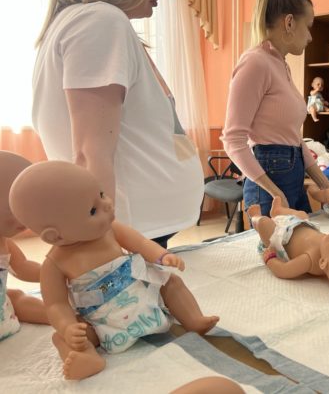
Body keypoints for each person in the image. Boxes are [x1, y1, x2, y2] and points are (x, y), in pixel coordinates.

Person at [32, 0, 203, 248]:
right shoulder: (99, 21)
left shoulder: (87, 23)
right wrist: (100, 244)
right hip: (128, 229)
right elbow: (89, 153)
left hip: (137, 226)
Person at [9, 161, 219, 380]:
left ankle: (193, 319)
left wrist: (162, 256)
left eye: (101, 195)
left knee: (171, 282)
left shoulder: (110, 229)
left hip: (143, 295)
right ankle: (88, 358)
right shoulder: (54, 263)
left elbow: (139, 242)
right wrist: (68, 327)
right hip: (101, 321)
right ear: (55, 236)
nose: (107, 205)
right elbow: (56, 304)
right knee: (61, 337)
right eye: (93, 210)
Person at [222, 0, 329, 218]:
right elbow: (233, 140)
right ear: (290, 22)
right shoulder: (255, 62)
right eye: (309, 25)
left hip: (292, 174)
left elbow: (294, 139)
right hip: (269, 182)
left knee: (308, 247)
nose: (311, 37)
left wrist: (325, 184)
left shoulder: (281, 65)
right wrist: (274, 192)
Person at [250, 197, 329, 294]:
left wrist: (270, 259)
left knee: (264, 223)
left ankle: (255, 217)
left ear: (322, 262)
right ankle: (278, 212)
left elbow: (284, 270)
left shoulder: (310, 259)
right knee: (303, 214)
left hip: (280, 237)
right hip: (298, 224)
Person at [0, 151, 48, 340]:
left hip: (4, 314)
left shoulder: (4, 241)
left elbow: (21, 267)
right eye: (14, 208)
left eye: (29, 207)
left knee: (16, 297)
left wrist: (54, 274)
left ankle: (64, 318)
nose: (26, 217)